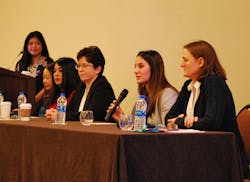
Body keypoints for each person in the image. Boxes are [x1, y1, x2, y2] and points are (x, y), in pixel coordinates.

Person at [165, 40, 249, 181]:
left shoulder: (214, 82)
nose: (181, 64)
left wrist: (181, 121)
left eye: (185, 60)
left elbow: (212, 123)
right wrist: (188, 121)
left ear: (200, 62)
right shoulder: (188, 85)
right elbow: (168, 118)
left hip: (223, 159)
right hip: (200, 155)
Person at [108, 50, 178, 126]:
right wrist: (121, 117)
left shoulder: (168, 95)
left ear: (154, 69)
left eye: (141, 66)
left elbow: (169, 128)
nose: (135, 71)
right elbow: (137, 127)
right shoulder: (144, 96)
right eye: (135, 67)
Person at [66, 46, 115, 121]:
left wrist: (63, 116)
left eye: (84, 66)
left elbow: (90, 115)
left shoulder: (103, 87)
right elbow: (69, 111)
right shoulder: (81, 86)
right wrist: (58, 113)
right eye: (78, 66)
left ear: (98, 69)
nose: (80, 70)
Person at [15, 31, 53, 100]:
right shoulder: (21, 64)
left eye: (38, 43)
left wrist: (34, 101)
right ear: (26, 46)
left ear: (42, 45)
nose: (34, 46)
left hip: (43, 101)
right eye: (30, 43)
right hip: (22, 102)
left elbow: (50, 85)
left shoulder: (48, 63)